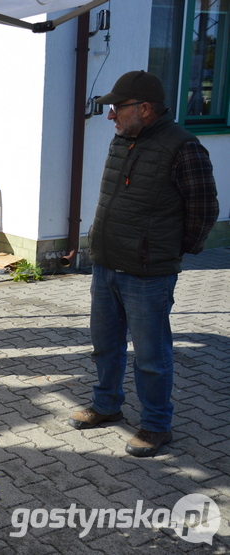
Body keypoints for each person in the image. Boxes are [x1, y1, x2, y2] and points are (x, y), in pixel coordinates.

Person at [67, 70, 219, 457]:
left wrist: (167, 250)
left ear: (145, 109)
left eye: (118, 108)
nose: (111, 115)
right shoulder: (123, 142)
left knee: (151, 356)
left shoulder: (183, 147)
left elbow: (204, 209)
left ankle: (155, 425)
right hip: (106, 266)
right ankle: (106, 404)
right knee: (105, 345)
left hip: (148, 274)